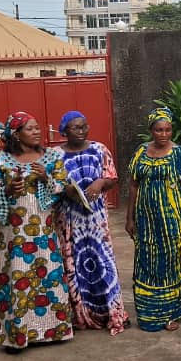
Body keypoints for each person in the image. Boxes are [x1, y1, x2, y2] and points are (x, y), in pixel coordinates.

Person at [0, 112, 74, 351]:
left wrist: (45, 177)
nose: (37, 132)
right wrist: (8, 189)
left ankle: (53, 330)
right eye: (30, 128)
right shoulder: (2, 159)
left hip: (44, 228)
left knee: (49, 273)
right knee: (18, 274)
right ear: (16, 134)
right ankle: (19, 334)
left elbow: (63, 186)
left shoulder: (52, 156)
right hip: (14, 231)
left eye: (37, 128)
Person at [55, 110, 128, 334]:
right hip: (70, 223)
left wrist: (100, 183)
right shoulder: (55, 155)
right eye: (76, 127)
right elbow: (52, 185)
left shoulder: (99, 149)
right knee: (74, 266)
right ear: (64, 131)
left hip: (97, 222)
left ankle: (111, 313)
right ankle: (81, 315)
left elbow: (112, 178)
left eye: (84, 126)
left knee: (103, 263)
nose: (82, 131)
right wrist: (67, 190)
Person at [126, 107, 181, 331]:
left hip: (172, 219)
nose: (164, 134)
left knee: (171, 263)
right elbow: (133, 185)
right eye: (159, 130)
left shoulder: (179, 154)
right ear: (151, 130)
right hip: (146, 221)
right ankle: (149, 313)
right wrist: (129, 218)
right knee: (147, 262)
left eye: (167, 130)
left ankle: (170, 314)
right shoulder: (141, 152)